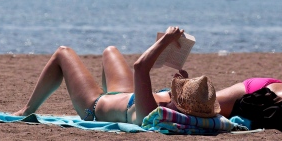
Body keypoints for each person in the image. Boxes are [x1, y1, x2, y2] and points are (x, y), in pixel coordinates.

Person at [13, 26, 220, 125]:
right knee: (110, 50)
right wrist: (181, 81)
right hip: (125, 94)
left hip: (94, 106)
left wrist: (166, 40)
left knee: (62, 52)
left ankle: (27, 110)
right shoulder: (178, 105)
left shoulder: (151, 111)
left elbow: (140, 67)